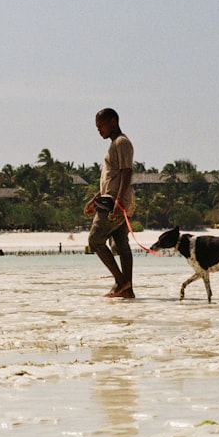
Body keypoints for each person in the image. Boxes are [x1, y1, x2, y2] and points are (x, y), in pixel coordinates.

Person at [84, 107, 135, 298]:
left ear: (113, 121)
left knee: (95, 241)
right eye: (97, 127)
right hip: (112, 200)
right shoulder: (115, 144)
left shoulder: (121, 143)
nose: (99, 130)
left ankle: (121, 282)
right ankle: (127, 290)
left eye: (101, 125)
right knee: (122, 244)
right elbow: (111, 179)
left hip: (114, 203)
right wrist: (94, 199)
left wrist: (118, 200)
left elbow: (126, 172)